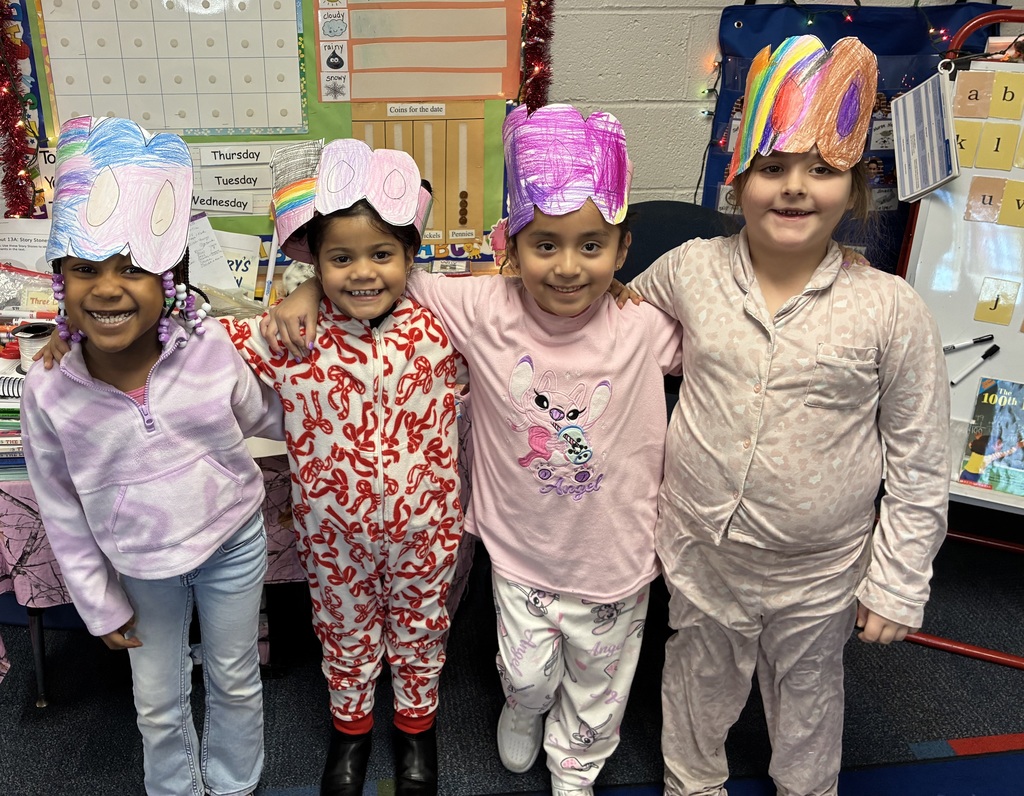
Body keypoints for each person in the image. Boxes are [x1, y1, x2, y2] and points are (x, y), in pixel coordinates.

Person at [262, 104, 684, 796]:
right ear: (509, 248)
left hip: (618, 553)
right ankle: (524, 708)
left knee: (600, 682)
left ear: (623, 248)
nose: (569, 267)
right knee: (525, 673)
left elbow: (716, 337)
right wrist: (310, 281)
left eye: (591, 246)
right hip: (519, 552)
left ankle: (575, 767)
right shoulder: (485, 306)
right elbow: (377, 271)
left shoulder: (641, 327)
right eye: (545, 245)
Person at [625, 36, 951, 795]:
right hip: (703, 549)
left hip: (821, 569)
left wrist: (898, 581)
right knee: (699, 683)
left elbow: (919, 458)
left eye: (822, 170)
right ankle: (692, 783)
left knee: (808, 695)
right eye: (773, 168)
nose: (795, 188)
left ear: (855, 185)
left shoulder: (889, 309)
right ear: (741, 181)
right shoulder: (691, 269)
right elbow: (613, 322)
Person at [21, 116, 284, 796]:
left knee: (234, 678)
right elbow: (60, 508)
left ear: (169, 280)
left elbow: (262, 416)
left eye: (133, 269)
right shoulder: (50, 390)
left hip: (232, 543)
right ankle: (175, 789)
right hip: (140, 566)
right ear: (61, 283)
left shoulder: (210, 349)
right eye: (85, 270)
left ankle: (233, 784)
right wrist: (100, 603)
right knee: (158, 702)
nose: (107, 289)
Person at [223, 138, 467, 796]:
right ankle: (351, 729)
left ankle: (417, 729)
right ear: (315, 261)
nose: (363, 272)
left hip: (426, 530)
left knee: (421, 628)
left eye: (382, 254)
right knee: (344, 631)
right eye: (340, 258)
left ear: (411, 256)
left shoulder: (442, 327)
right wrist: (76, 343)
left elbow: (528, 312)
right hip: (333, 540)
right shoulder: (294, 334)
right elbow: (197, 348)